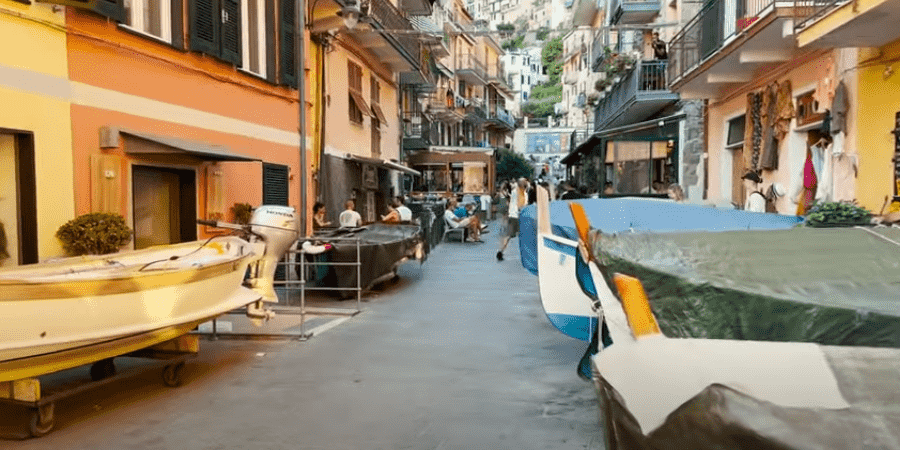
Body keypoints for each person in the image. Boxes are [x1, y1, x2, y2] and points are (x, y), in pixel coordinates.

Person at [497, 178, 528, 261]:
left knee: (508, 236)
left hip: (512, 216)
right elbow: (520, 205)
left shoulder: (515, 192)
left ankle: (501, 251)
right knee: (525, 235)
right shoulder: (521, 193)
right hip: (518, 217)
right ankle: (526, 255)